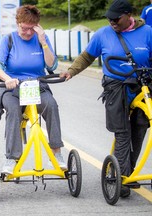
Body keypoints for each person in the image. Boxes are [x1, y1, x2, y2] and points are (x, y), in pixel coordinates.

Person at [60, 0, 152, 198]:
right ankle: (119, 176)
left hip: (141, 84)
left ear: (129, 15)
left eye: (116, 18)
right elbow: (86, 57)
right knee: (122, 132)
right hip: (116, 85)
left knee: (140, 125)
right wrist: (71, 72)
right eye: (109, 18)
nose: (112, 21)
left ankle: (128, 170)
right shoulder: (103, 34)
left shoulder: (148, 32)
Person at [0, 5, 66, 175]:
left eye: (31, 29)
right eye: (24, 28)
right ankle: (11, 158)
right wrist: (7, 79)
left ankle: (56, 154)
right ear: (17, 24)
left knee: (52, 106)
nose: (27, 33)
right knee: (13, 111)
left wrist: (43, 42)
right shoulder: (8, 39)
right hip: (13, 88)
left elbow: (51, 65)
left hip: (37, 85)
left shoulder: (41, 39)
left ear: (37, 26)